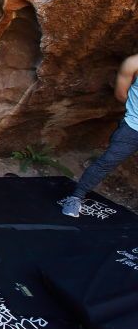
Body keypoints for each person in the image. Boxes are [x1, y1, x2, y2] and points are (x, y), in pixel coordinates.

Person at [61, 53, 138, 217]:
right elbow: (121, 94)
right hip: (133, 126)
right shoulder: (133, 63)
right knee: (106, 162)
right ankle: (76, 197)